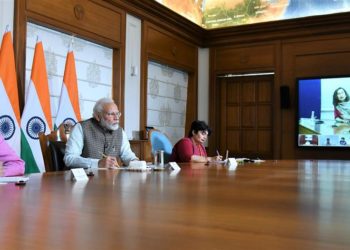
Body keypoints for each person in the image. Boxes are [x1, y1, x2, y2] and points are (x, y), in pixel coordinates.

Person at [64, 98, 138, 169]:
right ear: (98, 116)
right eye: (111, 114)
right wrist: (97, 163)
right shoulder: (81, 128)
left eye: (117, 113)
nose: (116, 118)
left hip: (111, 179)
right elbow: (69, 159)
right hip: (87, 179)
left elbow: (127, 154)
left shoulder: (120, 131)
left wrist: (135, 162)